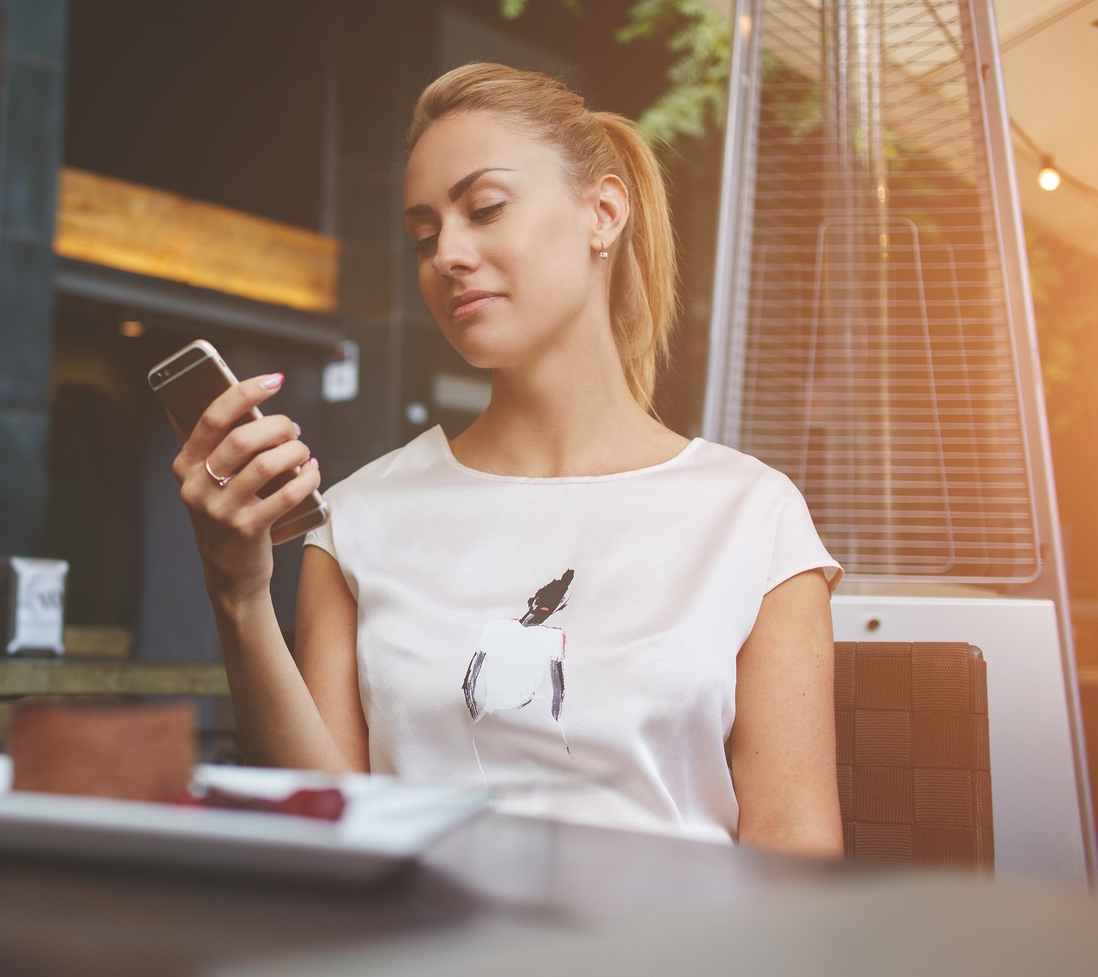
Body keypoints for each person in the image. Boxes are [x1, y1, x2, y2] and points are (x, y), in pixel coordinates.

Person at [171, 62, 844, 856]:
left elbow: (794, 849)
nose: (447, 254)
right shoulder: (356, 521)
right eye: (424, 236)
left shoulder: (752, 515)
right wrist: (239, 596)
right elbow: (329, 833)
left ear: (603, 211)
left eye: (484, 209)